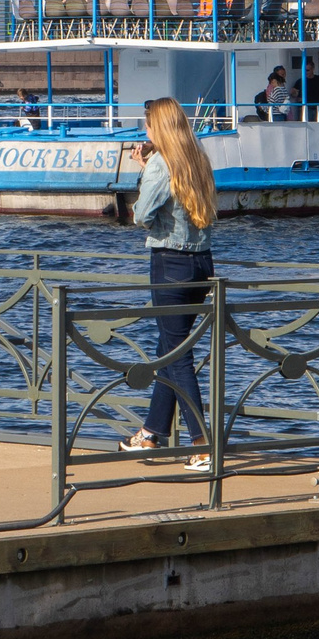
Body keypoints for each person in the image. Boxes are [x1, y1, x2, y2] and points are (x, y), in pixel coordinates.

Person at [119, 97, 218, 468]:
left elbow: (142, 214)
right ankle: (151, 433)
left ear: (157, 127)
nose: (144, 132)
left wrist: (144, 171)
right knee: (170, 349)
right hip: (201, 264)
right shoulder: (197, 157)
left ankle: (201, 444)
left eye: (147, 126)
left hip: (170, 264)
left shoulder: (161, 162)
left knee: (178, 357)